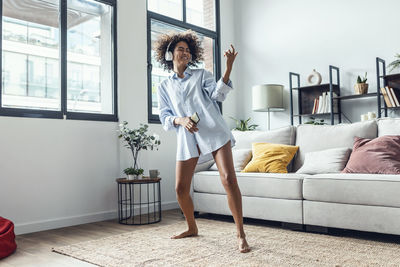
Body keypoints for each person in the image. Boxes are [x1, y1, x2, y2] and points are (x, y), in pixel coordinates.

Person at [155, 30, 250, 253]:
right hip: (187, 137)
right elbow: (165, 117)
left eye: (188, 50)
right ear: (170, 54)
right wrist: (181, 120)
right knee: (179, 188)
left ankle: (241, 234)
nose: (185, 53)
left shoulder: (201, 75)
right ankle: (191, 227)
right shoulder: (163, 87)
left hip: (215, 132)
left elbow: (218, 94)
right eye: (180, 49)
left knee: (228, 179)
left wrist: (227, 68)